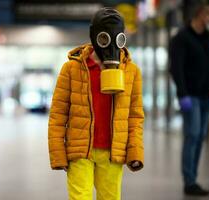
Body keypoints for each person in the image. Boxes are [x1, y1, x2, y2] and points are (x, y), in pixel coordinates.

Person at [48, 7, 144, 200]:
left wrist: (135, 151)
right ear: (94, 36)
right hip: (80, 149)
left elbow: (134, 116)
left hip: (112, 152)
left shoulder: (131, 71)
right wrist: (58, 153)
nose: (109, 45)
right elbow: (58, 114)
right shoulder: (72, 69)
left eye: (117, 38)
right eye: (103, 38)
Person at [169, 3, 209, 196]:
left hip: (208, 96)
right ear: (200, 14)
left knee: (199, 137)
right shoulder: (181, 38)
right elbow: (176, 69)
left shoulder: (208, 39)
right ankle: (189, 181)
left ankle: (193, 179)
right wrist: (182, 94)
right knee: (192, 135)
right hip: (191, 97)